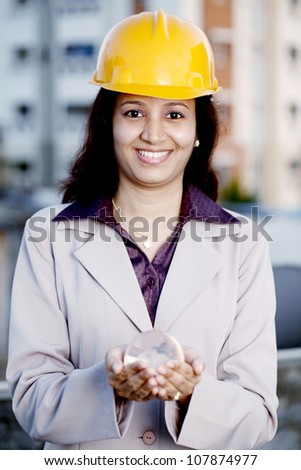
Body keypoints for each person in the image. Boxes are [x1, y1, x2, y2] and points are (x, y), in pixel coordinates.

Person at [6, 10, 278, 450]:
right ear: (107, 123)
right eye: (134, 111)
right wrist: (108, 386)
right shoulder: (49, 237)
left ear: (197, 132)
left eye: (174, 114)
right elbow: (31, 398)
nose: (153, 134)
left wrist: (192, 393)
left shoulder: (242, 246)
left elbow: (259, 415)